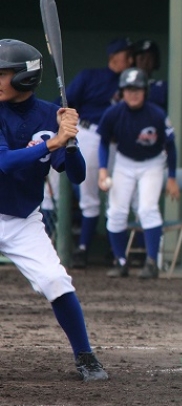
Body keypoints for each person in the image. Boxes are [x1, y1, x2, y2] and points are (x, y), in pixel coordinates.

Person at [0, 39, 108, 381]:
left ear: (24, 77)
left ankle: (85, 356)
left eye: (2, 74)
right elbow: (5, 163)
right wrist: (54, 142)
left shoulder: (51, 116)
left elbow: (76, 175)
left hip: (22, 219)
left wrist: (71, 142)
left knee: (55, 280)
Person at [97, 67, 179, 279]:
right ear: (122, 92)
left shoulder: (157, 114)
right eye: (128, 89)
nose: (133, 94)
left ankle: (151, 263)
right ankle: (121, 261)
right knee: (116, 211)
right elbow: (103, 142)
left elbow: (171, 147)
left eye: (138, 89)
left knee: (147, 209)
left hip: (152, 163)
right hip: (124, 162)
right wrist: (103, 170)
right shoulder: (113, 113)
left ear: (145, 92)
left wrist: (172, 177)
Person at [65, 37, 133, 268]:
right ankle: (83, 249)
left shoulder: (130, 83)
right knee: (89, 196)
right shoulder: (90, 76)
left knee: (119, 195)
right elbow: (66, 102)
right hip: (91, 135)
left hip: (118, 142)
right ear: (113, 57)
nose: (130, 60)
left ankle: (116, 252)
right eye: (126, 55)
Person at [131, 39, 167, 111]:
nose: (145, 62)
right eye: (142, 58)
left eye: (150, 58)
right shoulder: (123, 86)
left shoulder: (163, 87)